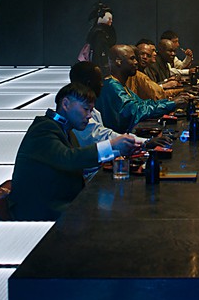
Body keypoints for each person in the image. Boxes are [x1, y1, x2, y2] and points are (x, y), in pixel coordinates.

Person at [7, 83, 138, 221]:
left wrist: (118, 151)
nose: (89, 116)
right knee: (117, 212)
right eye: (86, 109)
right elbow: (69, 159)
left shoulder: (64, 129)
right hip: (42, 210)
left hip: (58, 202)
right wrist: (112, 146)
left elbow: (77, 164)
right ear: (66, 104)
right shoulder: (43, 129)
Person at [70, 61, 173, 179]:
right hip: (89, 177)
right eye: (99, 81)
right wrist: (144, 142)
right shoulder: (77, 110)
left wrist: (142, 142)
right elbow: (104, 136)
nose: (102, 85)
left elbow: (140, 105)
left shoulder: (92, 108)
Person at [96, 44, 192, 132]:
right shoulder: (112, 86)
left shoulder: (120, 85)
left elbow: (143, 104)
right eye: (132, 59)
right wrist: (172, 104)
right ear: (118, 62)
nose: (136, 62)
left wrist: (172, 102)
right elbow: (136, 111)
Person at [80, 3, 116, 74]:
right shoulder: (99, 34)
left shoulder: (98, 31)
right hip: (101, 65)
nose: (111, 21)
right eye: (109, 19)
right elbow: (99, 52)